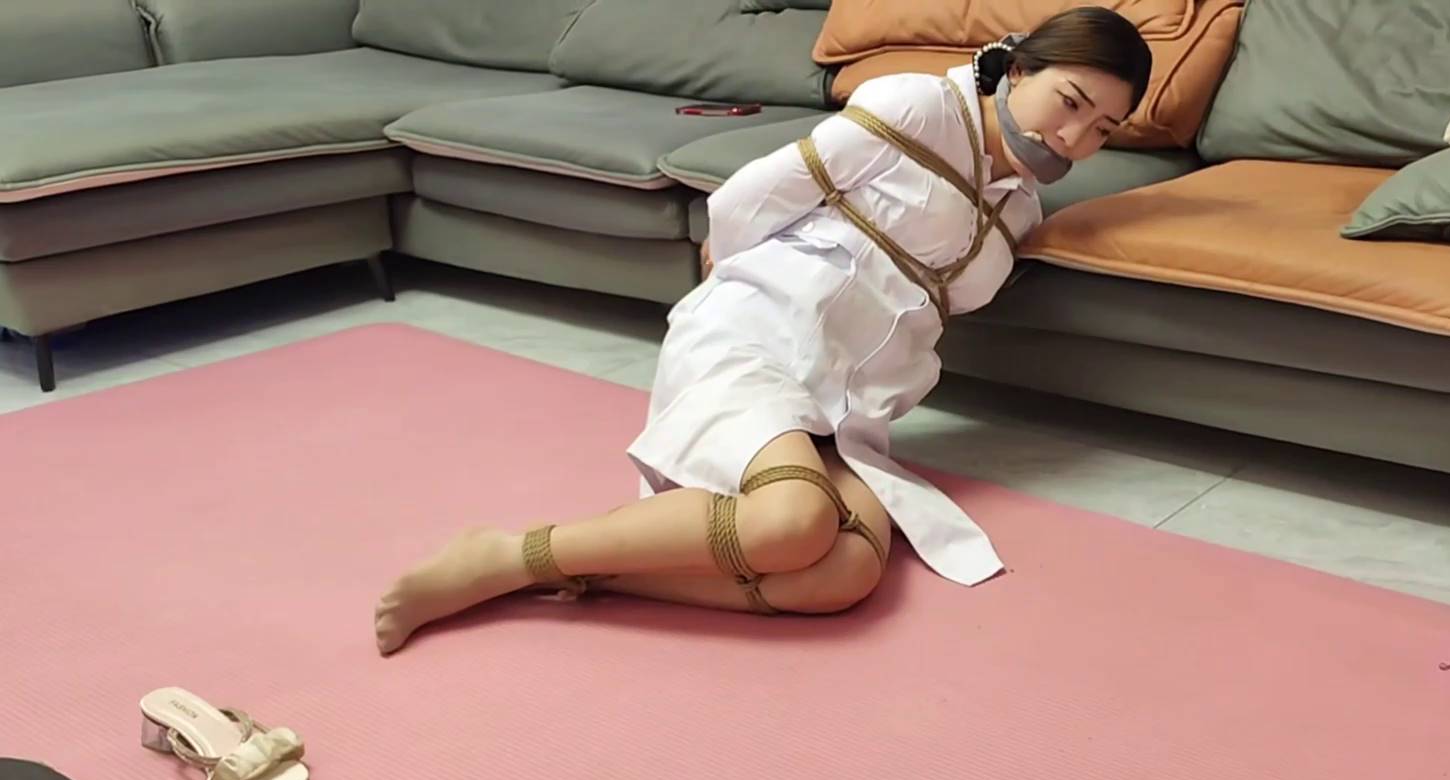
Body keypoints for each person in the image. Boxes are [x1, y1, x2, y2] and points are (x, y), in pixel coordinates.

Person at [373, 7, 1154, 655]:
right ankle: (506, 556)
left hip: (848, 403)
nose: (1076, 138)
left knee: (844, 572)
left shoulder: (1019, 209)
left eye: (1103, 129)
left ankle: (576, 574)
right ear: (1018, 70)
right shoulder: (918, 106)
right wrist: (732, 272)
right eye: (1071, 102)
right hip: (761, 335)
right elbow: (755, 193)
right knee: (793, 524)